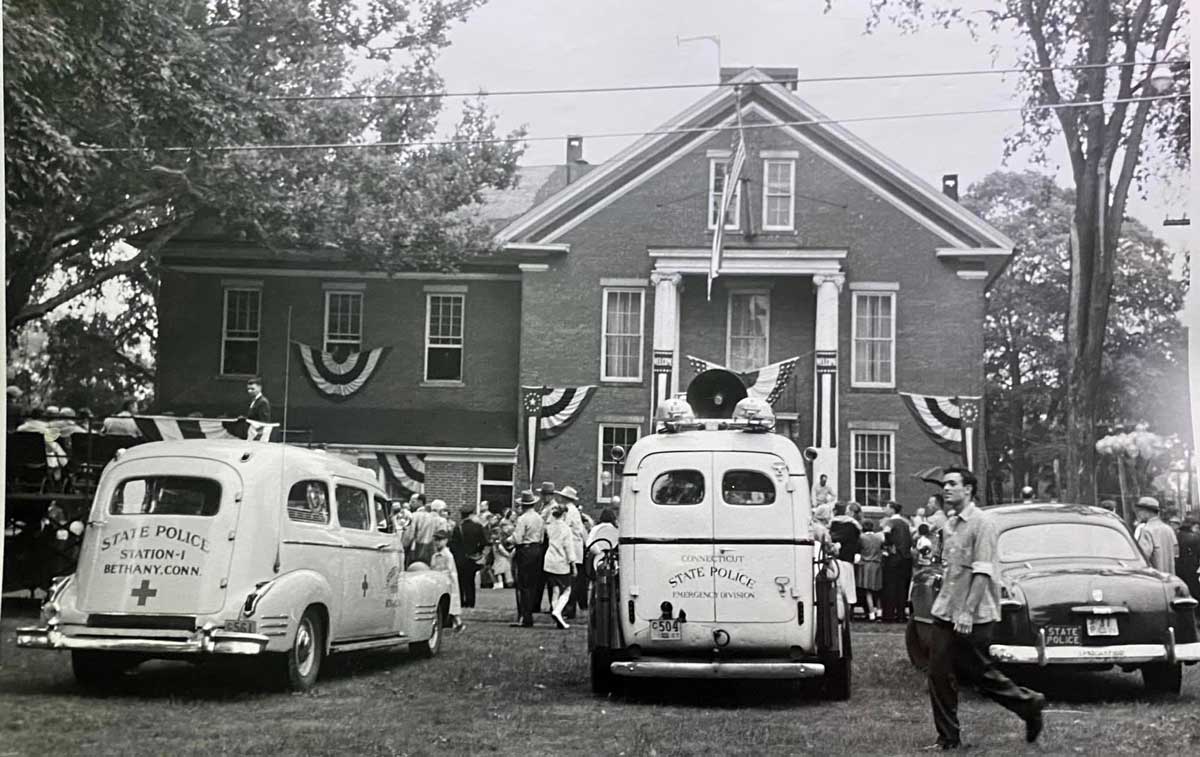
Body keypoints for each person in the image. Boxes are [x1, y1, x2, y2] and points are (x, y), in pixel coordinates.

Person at [926, 466, 1045, 750]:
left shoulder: (983, 523)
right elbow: (954, 569)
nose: (946, 488)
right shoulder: (951, 524)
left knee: (979, 674)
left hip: (974, 615)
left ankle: (1029, 704)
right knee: (938, 673)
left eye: (953, 484)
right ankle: (948, 738)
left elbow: (983, 572)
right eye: (945, 484)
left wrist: (967, 612)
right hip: (946, 610)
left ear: (968, 489)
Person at [511, 490, 546, 628]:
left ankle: (525, 616)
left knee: (523, 584)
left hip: (525, 550)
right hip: (537, 549)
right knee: (532, 584)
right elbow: (542, 537)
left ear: (523, 505)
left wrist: (509, 539)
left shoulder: (522, 519)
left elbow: (518, 538)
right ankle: (529, 613)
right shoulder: (539, 518)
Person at [543, 504, 579, 629]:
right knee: (567, 589)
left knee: (555, 589)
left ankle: (557, 614)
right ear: (564, 514)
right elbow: (568, 547)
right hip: (561, 562)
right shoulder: (566, 529)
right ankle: (557, 611)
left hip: (549, 561)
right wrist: (573, 564)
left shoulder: (549, 527)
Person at [556, 485, 588, 619]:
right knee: (571, 581)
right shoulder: (572, 510)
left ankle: (569, 609)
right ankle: (569, 608)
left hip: (572, 549)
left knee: (570, 581)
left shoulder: (569, 511)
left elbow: (565, 529)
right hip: (576, 548)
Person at [450, 505, 488, 609]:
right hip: (473, 558)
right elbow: (484, 542)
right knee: (470, 581)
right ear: (471, 514)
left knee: (461, 581)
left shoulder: (458, 528)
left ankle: (462, 601)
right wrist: (478, 551)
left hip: (460, 558)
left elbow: (453, 545)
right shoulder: (478, 527)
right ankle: (471, 602)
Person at [881, 501, 913, 622]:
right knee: (902, 588)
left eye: (886, 508)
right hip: (906, 558)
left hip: (894, 558)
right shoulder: (905, 523)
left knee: (890, 587)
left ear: (892, 509)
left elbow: (886, 532)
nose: (884, 509)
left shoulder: (890, 522)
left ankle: (888, 615)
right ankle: (901, 614)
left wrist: (889, 544)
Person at [828, 502, 861, 616]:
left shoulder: (833, 525)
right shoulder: (854, 526)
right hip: (847, 559)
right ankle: (848, 611)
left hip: (835, 559)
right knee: (848, 587)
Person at [429, 530, 465, 632]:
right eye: (436, 540)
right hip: (438, 581)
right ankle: (454, 623)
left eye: (440, 540)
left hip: (447, 581)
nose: (437, 542)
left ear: (446, 540)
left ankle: (458, 623)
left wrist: (449, 580)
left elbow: (450, 570)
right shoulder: (435, 555)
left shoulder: (447, 555)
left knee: (452, 604)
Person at [1134, 496, 1178, 574]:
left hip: (1155, 579)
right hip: (1169, 578)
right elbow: (1176, 554)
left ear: (1147, 512)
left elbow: (1143, 557)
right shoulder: (1168, 529)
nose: (1138, 514)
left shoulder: (1147, 530)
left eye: (1139, 511)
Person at [857, 520, 884, 621]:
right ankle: (879, 612)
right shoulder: (879, 538)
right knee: (877, 591)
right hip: (877, 564)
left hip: (866, 564)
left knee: (868, 591)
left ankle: (871, 613)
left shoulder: (862, 538)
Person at [586, 508, 619, 573]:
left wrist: (598, 552)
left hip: (597, 558)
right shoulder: (616, 530)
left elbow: (589, 543)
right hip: (612, 559)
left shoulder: (595, 528)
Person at [1175, 516, 1200, 600]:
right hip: (1193, 569)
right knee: (1195, 592)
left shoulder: (1177, 535)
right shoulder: (1195, 537)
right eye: (1197, 527)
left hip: (1178, 569)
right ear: (1192, 526)